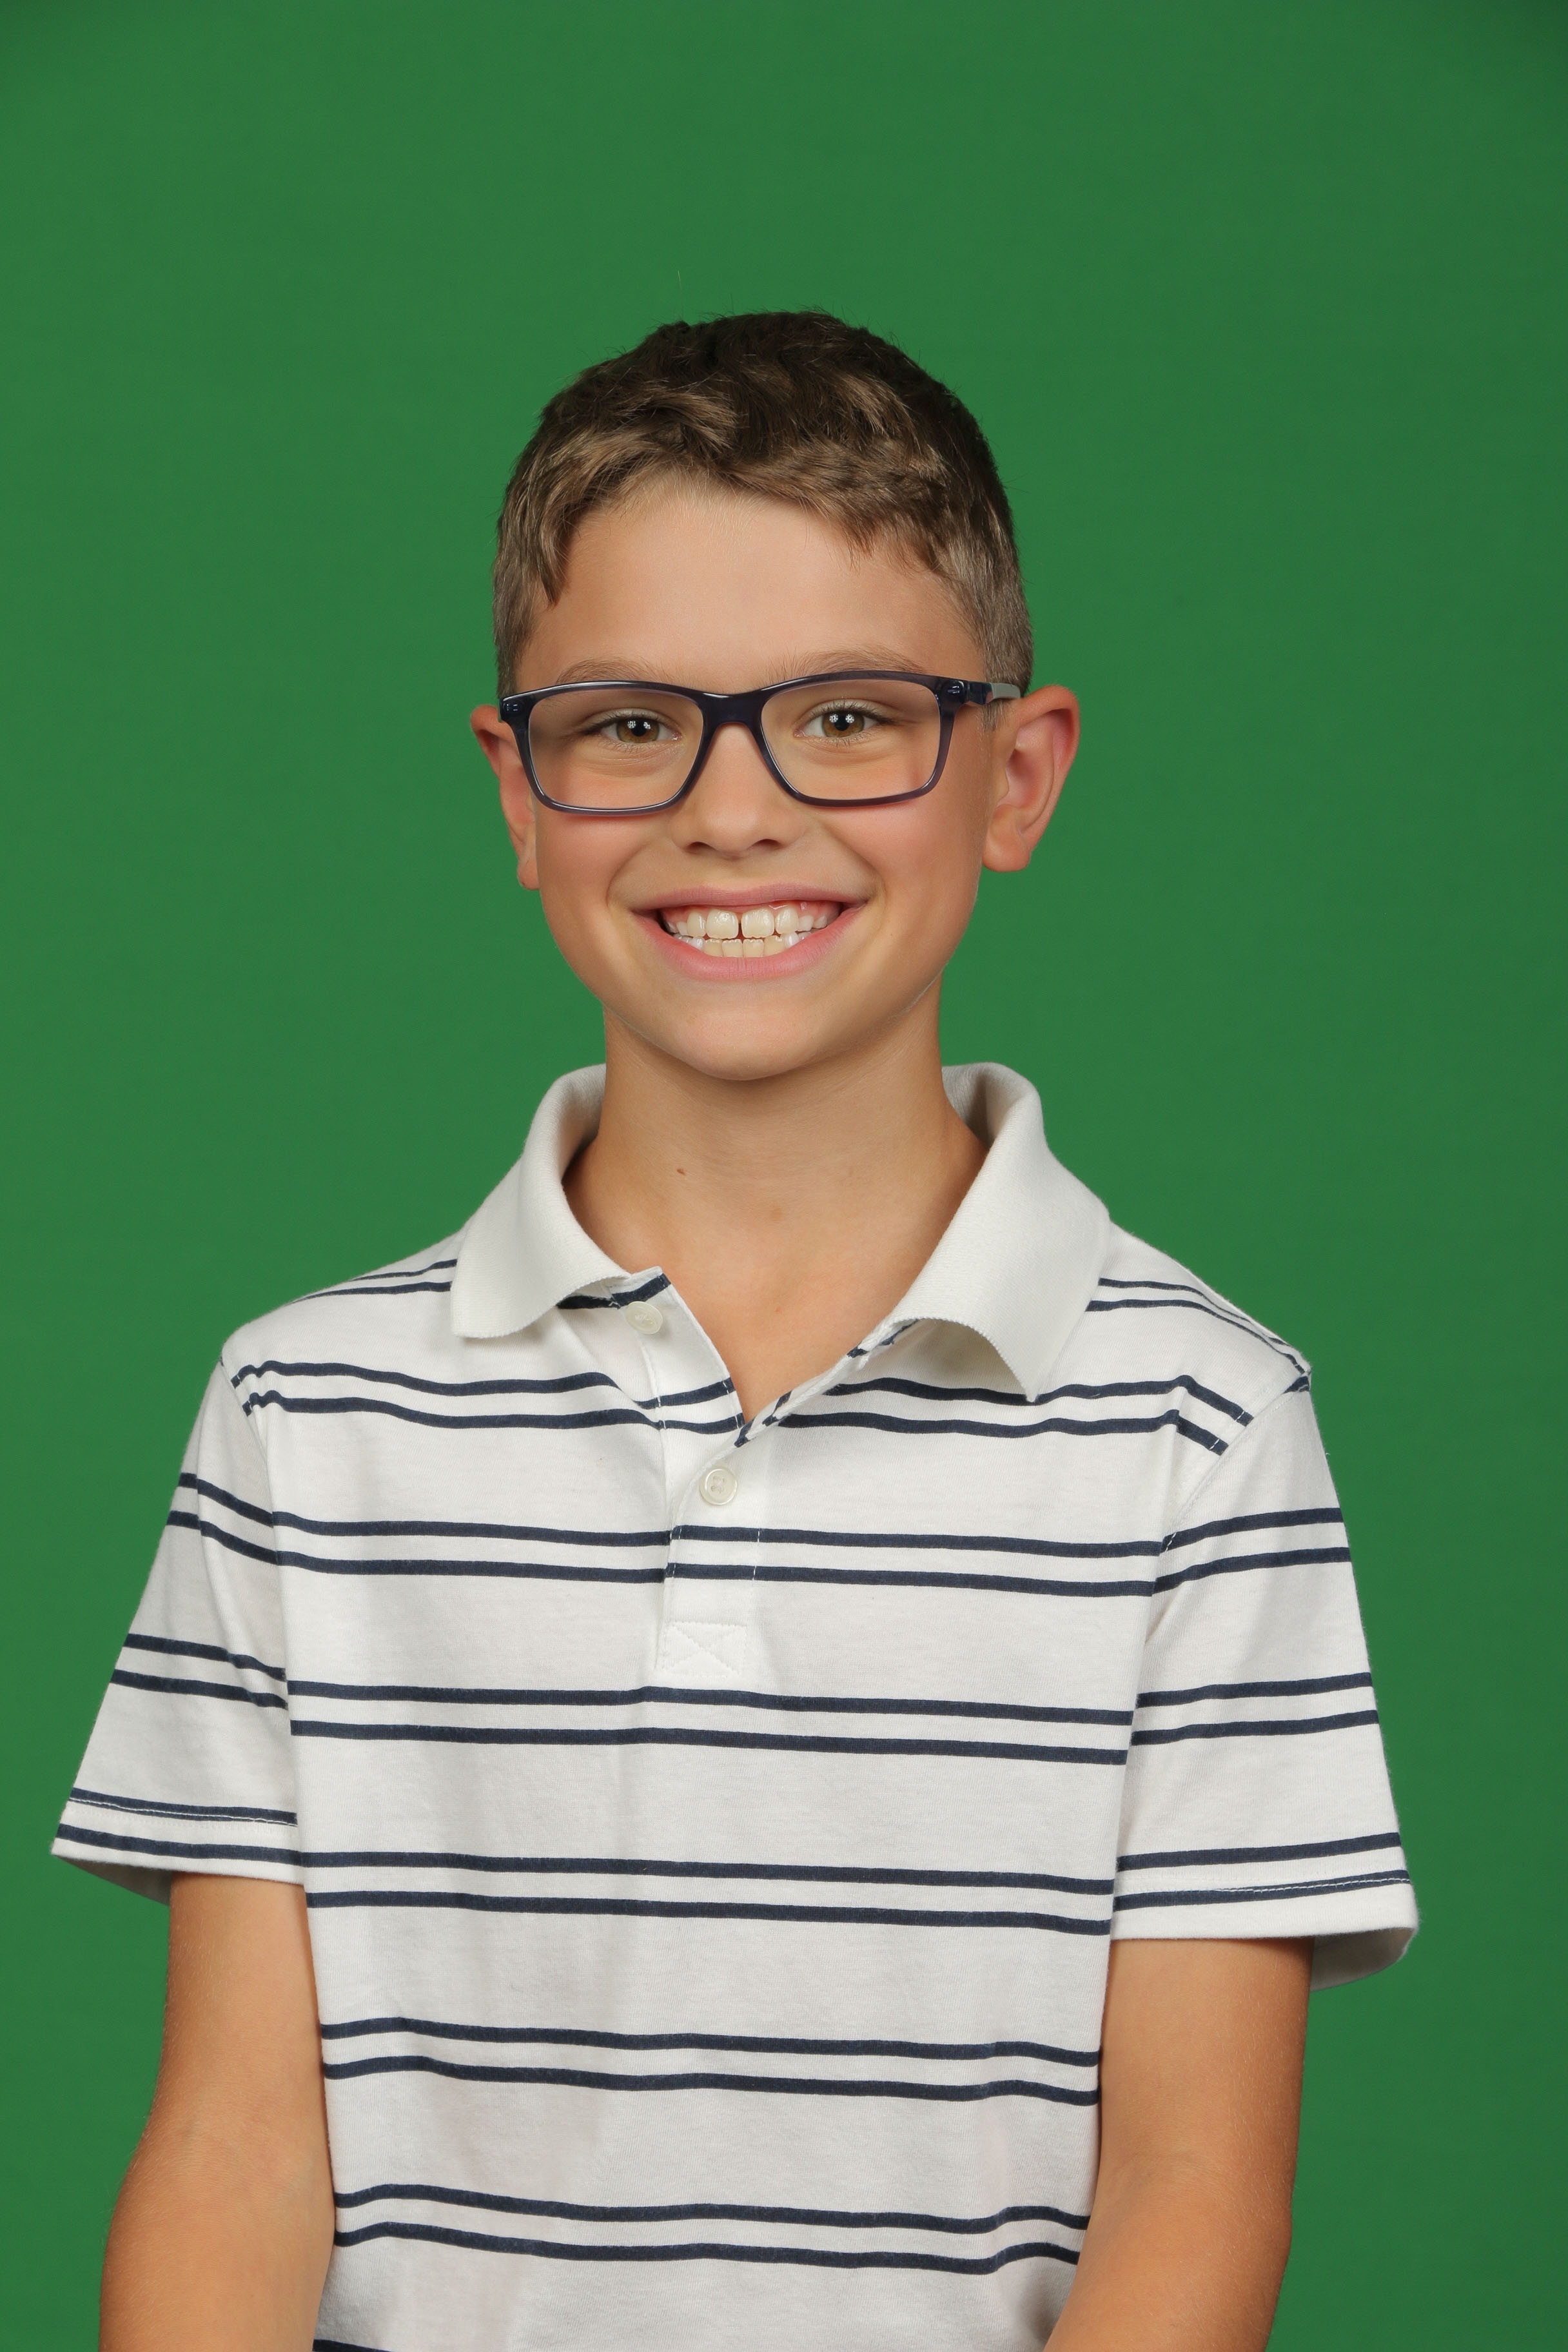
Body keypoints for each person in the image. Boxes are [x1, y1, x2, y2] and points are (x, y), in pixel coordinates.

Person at [57, 311, 1416, 2352]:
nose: (733, 810)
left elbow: (1193, 2187)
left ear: (1017, 774)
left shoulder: (1202, 1427)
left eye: (848, 717)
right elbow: (238, 2151)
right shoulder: (304, 1414)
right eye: (630, 725)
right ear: (519, 790)